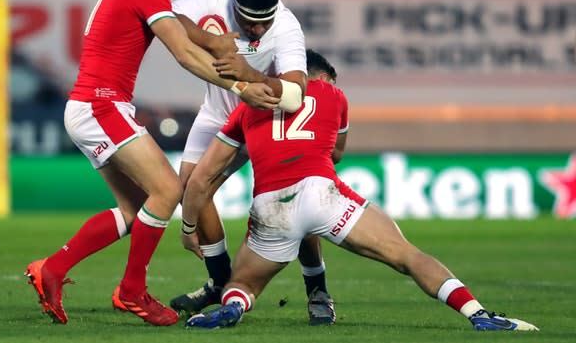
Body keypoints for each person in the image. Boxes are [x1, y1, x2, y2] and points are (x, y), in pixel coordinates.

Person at [24, 0, 280, 326]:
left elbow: (173, 22)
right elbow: (182, 52)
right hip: (100, 105)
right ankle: (132, 291)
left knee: (137, 208)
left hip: (92, 105)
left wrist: (212, 40)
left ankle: (51, 270)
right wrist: (242, 88)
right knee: (167, 189)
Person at [180, 49, 539, 332]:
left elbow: (202, 178)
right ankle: (479, 314)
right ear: (316, 76)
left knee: (242, 283)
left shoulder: (248, 106)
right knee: (407, 255)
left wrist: (189, 227)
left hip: (272, 204)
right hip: (322, 194)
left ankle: (233, 307)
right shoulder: (333, 95)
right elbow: (336, 153)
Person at [163, 0, 336, 325]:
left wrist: (250, 74)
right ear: (234, 8)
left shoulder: (286, 26)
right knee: (191, 190)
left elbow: (294, 95)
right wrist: (209, 42)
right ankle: (220, 282)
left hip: (263, 120)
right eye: (249, 23)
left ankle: (317, 287)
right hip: (218, 112)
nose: (257, 31)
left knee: (294, 201)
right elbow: (168, 17)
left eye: (263, 24)